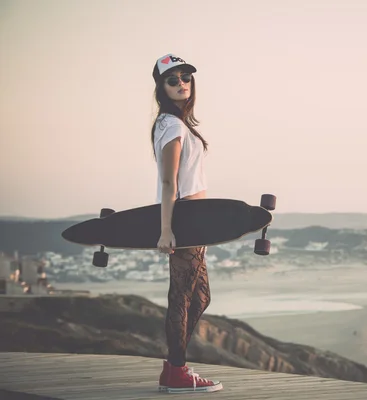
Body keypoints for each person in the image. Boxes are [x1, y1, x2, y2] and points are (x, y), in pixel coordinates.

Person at [151, 53, 223, 393]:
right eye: (173, 79)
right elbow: (169, 182)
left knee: (200, 298)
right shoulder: (172, 126)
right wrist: (167, 230)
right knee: (181, 297)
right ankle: (177, 372)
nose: (182, 83)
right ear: (161, 87)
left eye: (186, 78)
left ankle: (173, 367)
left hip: (197, 223)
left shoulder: (179, 124)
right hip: (184, 221)